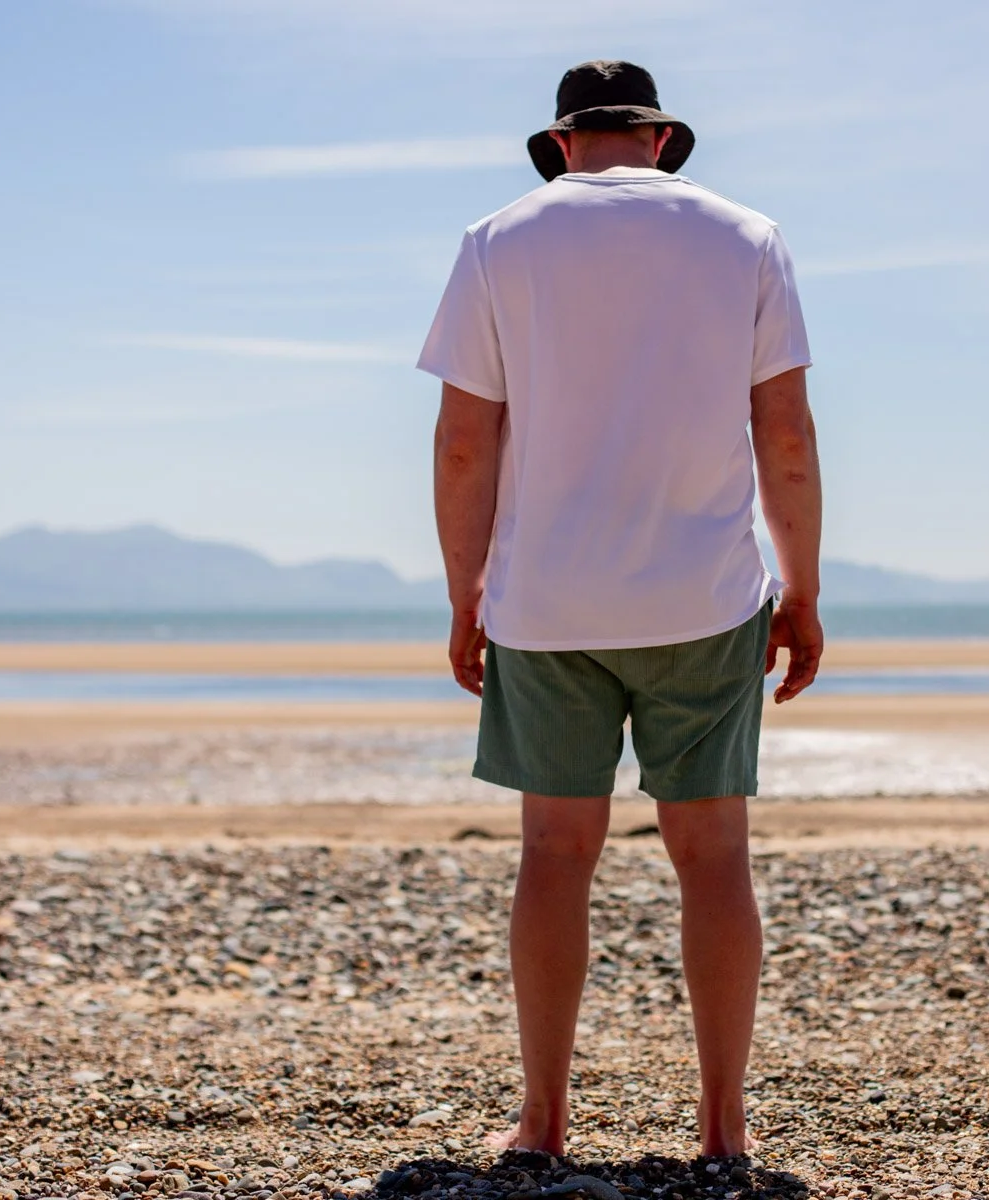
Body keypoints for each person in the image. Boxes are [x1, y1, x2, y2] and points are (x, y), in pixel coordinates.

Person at [419, 60, 824, 1158]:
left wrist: (468, 595)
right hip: (704, 594)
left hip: (549, 602)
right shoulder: (746, 235)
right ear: (658, 140)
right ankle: (724, 1124)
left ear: (559, 147)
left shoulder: (497, 240)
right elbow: (782, 434)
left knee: (555, 852)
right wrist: (804, 588)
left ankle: (543, 1121)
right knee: (714, 856)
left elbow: (465, 442)